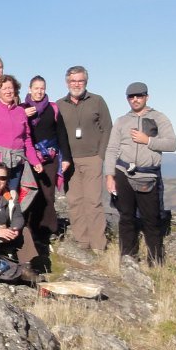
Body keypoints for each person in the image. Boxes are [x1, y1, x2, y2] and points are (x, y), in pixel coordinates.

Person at [104, 82, 176, 265]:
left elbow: (172, 144)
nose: (135, 99)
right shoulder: (121, 121)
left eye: (139, 96)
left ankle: (155, 262)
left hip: (148, 175)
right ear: (127, 99)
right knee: (126, 217)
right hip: (123, 173)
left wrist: (148, 140)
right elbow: (112, 148)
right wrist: (109, 175)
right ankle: (128, 259)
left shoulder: (159, 118)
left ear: (147, 97)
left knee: (151, 220)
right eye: (131, 97)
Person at [55, 65, 112, 252]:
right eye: (73, 81)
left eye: (80, 80)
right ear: (67, 82)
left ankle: (98, 245)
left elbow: (107, 128)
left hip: (92, 158)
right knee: (75, 201)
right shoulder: (59, 104)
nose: (76, 84)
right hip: (69, 161)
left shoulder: (97, 101)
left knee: (93, 201)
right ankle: (82, 242)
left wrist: (101, 155)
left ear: (86, 82)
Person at [23, 76, 72, 248]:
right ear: (29, 89)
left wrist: (65, 157)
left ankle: (47, 230)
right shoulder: (23, 109)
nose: (39, 91)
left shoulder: (53, 109)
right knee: (30, 194)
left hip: (50, 158)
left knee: (48, 195)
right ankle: (29, 230)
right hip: (29, 158)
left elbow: (61, 133)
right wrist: (22, 114)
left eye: (42, 88)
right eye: (36, 88)